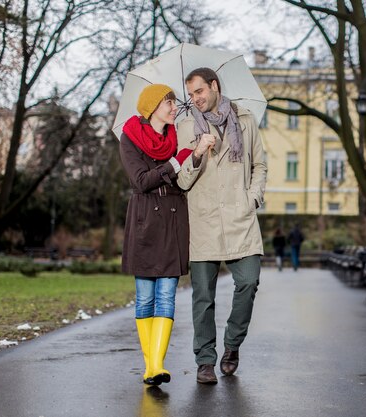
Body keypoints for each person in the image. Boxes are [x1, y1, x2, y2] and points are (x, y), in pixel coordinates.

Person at [176, 67, 267, 384]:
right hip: (203, 220)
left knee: (249, 282)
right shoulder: (185, 126)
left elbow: (259, 164)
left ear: (214, 86)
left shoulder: (244, 120)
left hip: (240, 217)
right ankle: (204, 361)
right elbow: (182, 179)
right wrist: (198, 152)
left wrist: (252, 198)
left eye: (199, 91)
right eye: (190, 94)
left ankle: (232, 345)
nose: (195, 99)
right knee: (203, 297)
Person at [119, 84, 193, 386]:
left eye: (174, 103)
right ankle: (151, 366)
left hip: (174, 218)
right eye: (169, 103)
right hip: (144, 219)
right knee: (145, 297)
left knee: (166, 295)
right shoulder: (130, 138)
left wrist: (194, 156)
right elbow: (140, 181)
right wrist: (176, 161)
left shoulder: (177, 136)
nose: (174, 108)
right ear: (152, 107)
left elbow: (185, 180)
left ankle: (156, 365)